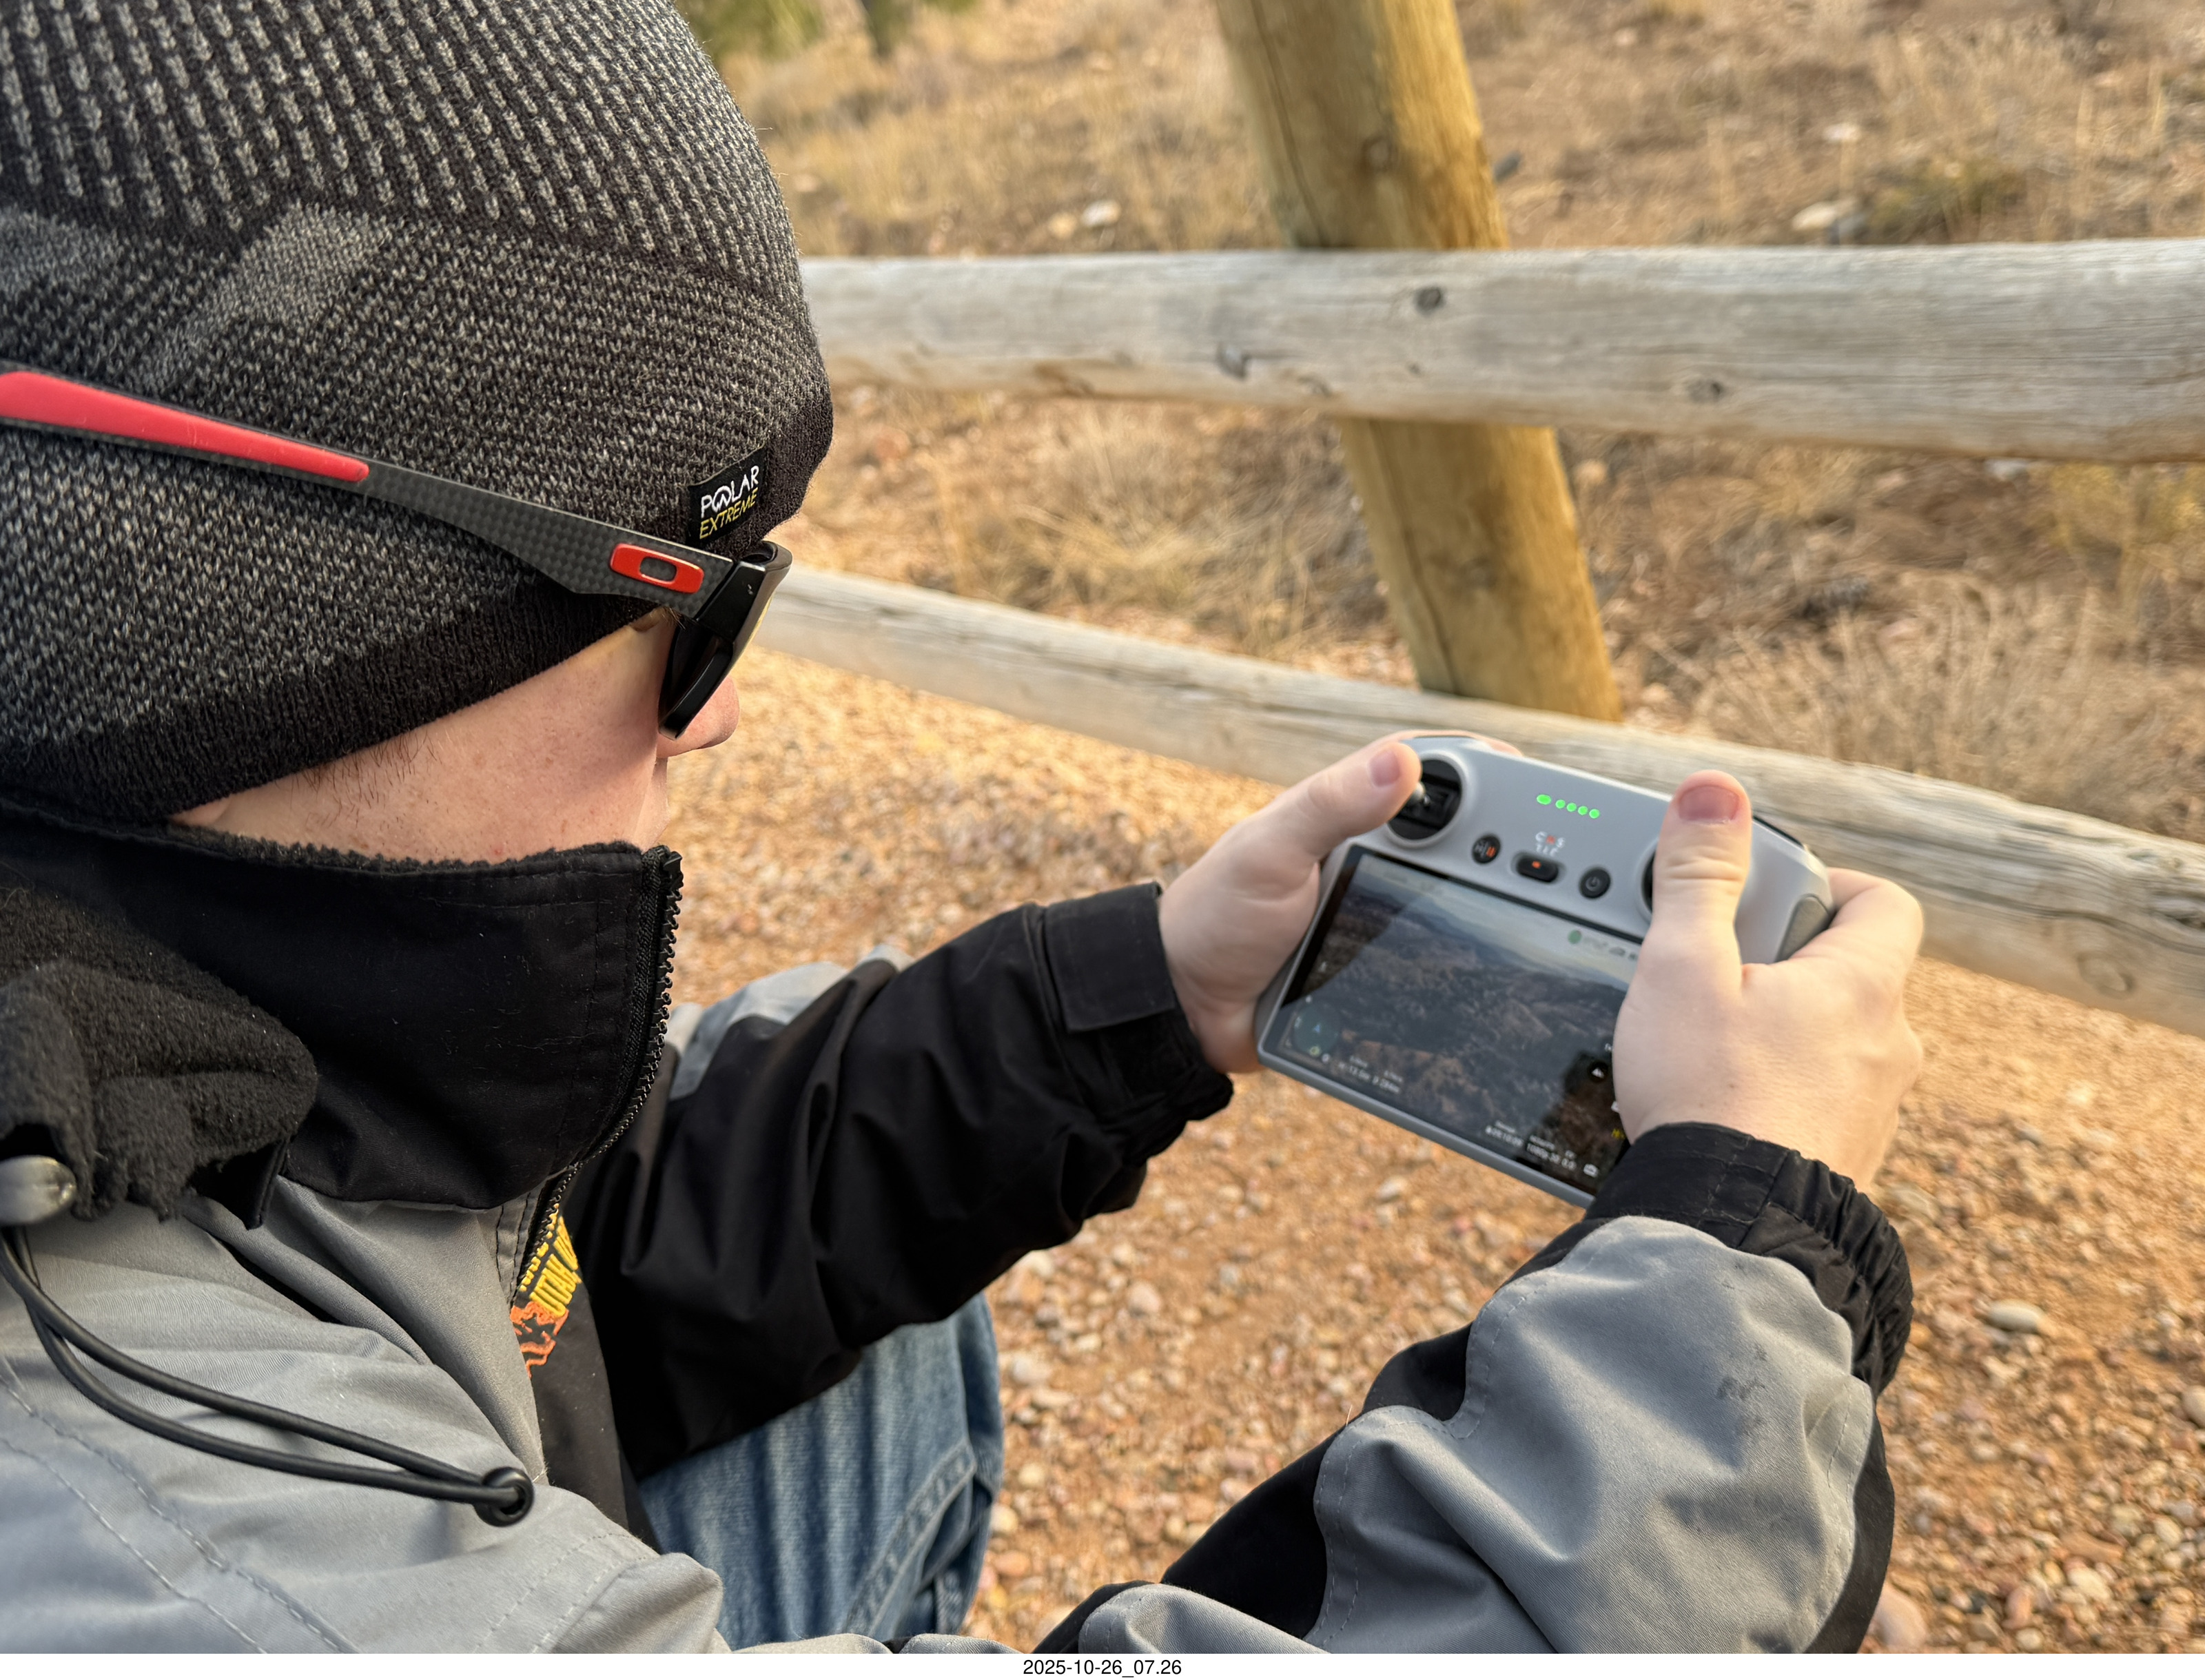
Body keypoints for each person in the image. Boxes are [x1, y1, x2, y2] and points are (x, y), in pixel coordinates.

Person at [0, 0, 1922, 1653]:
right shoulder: (189, 1556)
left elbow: (554, 1249)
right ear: (265, 639)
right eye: (698, 604)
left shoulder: (153, 958)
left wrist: (1142, 999)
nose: (726, 706)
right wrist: (1733, 1307)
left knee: (893, 1314)